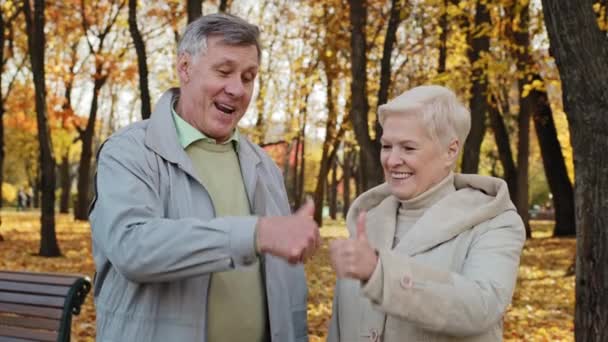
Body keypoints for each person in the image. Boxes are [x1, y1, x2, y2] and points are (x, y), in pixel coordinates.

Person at [89, 13, 319, 342]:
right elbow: (132, 247)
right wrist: (255, 233)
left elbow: (288, 290)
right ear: (185, 68)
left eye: (248, 77)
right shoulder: (129, 152)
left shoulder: (264, 166)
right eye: (224, 72)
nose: (237, 89)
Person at [327, 85, 525, 342]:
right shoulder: (367, 222)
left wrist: (381, 274)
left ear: (450, 151)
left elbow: (481, 306)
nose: (392, 160)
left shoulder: (494, 223)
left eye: (408, 148)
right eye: (387, 146)